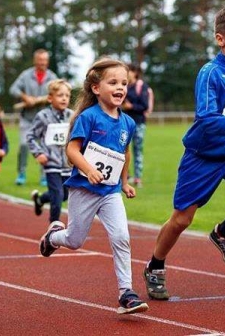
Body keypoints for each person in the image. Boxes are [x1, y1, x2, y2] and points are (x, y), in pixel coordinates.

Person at [143, 1, 225, 301]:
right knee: (181, 220)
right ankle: (155, 266)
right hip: (203, 155)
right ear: (220, 38)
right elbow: (206, 120)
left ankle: (224, 232)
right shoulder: (210, 73)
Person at [39, 57, 149, 315]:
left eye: (124, 83)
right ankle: (53, 236)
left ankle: (126, 293)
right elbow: (72, 149)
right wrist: (89, 170)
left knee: (121, 237)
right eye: (113, 82)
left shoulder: (128, 123)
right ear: (97, 88)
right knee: (75, 240)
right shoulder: (88, 117)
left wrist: (124, 182)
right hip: (84, 189)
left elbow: (124, 152)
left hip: (110, 192)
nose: (120, 87)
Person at [27, 79, 74, 223]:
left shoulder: (72, 116)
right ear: (50, 98)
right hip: (51, 162)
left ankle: (40, 200)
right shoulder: (43, 116)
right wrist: (38, 153)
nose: (64, 98)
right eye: (60, 95)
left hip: (68, 164)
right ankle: (53, 225)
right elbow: (31, 136)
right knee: (58, 195)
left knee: (65, 195)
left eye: (67, 95)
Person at [9, 48, 58, 185]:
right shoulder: (26, 75)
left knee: (45, 147)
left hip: (45, 119)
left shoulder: (52, 77)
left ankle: (44, 176)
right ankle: (21, 173)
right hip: (27, 118)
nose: (42, 63)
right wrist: (25, 97)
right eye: (40, 60)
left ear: (47, 62)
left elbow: (59, 93)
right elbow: (13, 89)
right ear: (35, 60)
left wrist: (47, 99)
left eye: (44, 60)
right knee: (24, 145)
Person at [122, 64, 151, 188]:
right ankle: (125, 176)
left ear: (135, 73)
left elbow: (144, 106)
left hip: (138, 123)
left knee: (137, 150)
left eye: (129, 71)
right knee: (122, 150)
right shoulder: (123, 86)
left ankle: (138, 178)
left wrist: (131, 107)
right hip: (124, 123)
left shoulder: (141, 86)